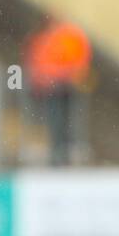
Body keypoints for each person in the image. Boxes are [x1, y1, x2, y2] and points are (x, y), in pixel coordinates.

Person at [25, 16, 92, 166]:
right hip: (52, 85)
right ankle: (59, 152)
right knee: (56, 120)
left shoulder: (67, 36)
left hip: (66, 84)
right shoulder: (45, 37)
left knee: (69, 119)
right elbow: (37, 62)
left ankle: (68, 151)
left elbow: (80, 58)